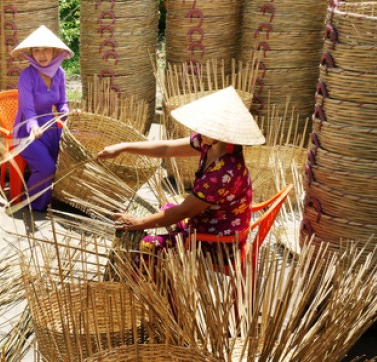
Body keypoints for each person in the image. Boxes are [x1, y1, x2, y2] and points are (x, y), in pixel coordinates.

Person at [98, 86, 265, 258]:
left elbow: (183, 212)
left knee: (146, 246)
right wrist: (124, 147)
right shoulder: (209, 143)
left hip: (217, 240)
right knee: (166, 209)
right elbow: (166, 149)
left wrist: (138, 223)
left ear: (223, 133)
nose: (200, 131)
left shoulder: (223, 172)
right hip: (211, 219)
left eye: (207, 127)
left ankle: (157, 282)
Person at [10, 25, 73, 212]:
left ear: (54, 51)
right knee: (47, 167)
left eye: (45, 49)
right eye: (36, 50)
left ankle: (56, 197)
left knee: (67, 160)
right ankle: (35, 204)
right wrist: (33, 128)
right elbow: (28, 109)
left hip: (51, 128)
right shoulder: (26, 76)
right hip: (27, 131)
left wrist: (66, 113)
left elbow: (62, 102)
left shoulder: (60, 73)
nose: (41, 54)